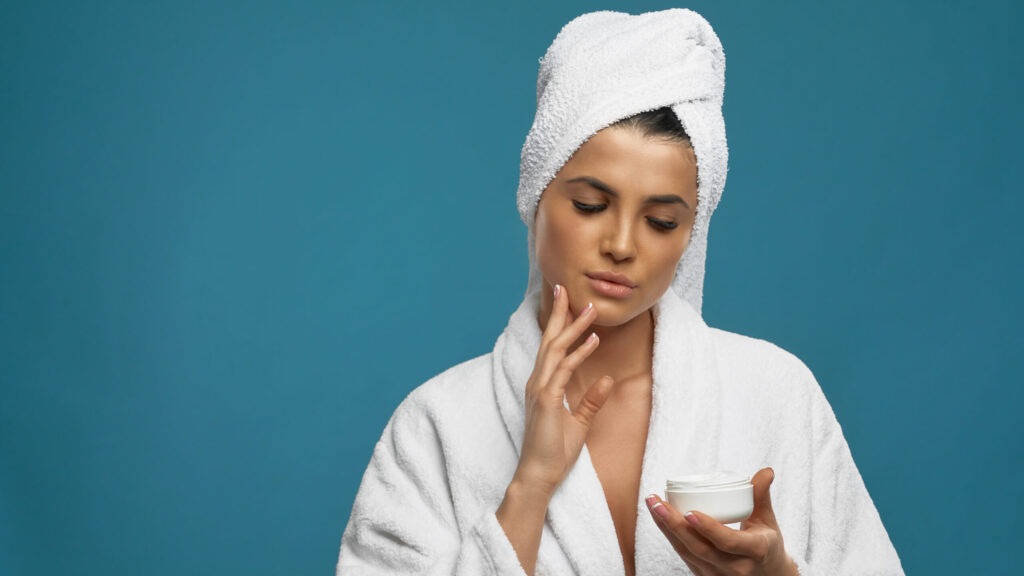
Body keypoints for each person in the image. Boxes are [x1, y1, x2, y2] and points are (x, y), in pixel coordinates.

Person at [336, 8, 904, 576]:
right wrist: (529, 488)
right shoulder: (437, 426)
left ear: (691, 234)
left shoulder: (775, 395)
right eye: (590, 205)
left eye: (661, 221)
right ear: (536, 198)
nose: (622, 244)